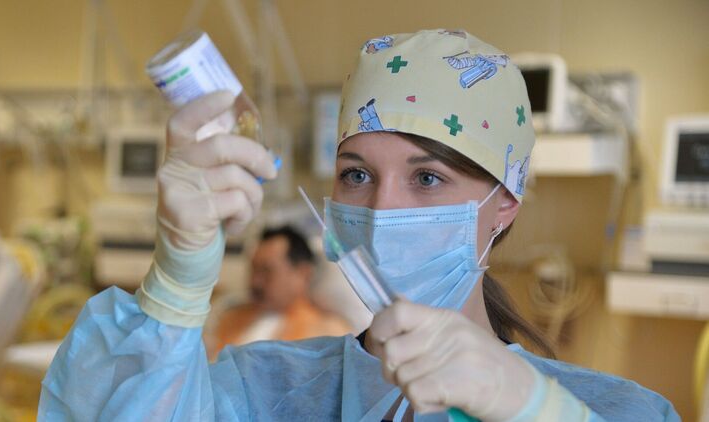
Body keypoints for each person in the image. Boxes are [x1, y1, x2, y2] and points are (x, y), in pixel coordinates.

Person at [39, 29, 679, 421]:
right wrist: (175, 285)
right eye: (357, 174)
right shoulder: (261, 391)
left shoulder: (621, 412)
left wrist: (539, 411)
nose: (381, 209)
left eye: (427, 178)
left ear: (505, 203)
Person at [207, 226, 350, 357]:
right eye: (253, 270)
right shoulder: (230, 319)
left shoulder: (329, 333)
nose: (255, 282)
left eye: (266, 271)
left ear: (303, 274)